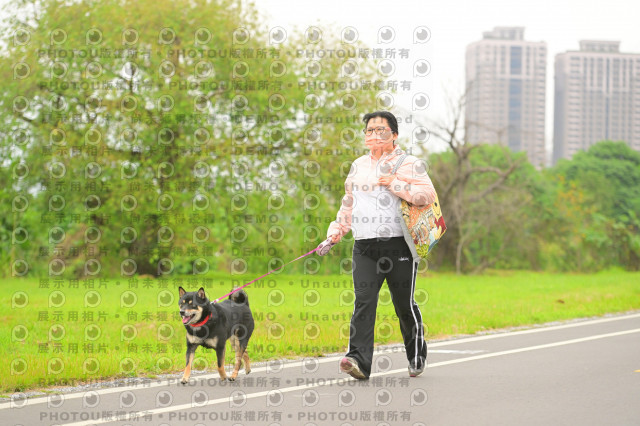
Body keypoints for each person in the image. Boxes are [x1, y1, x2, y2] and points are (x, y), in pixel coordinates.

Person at [317, 111, 437, 379]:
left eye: (380, 130)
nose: (373, 134)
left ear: (394, 135)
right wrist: (336, 231)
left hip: (399, 245)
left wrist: (395, 183)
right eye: (369, 130)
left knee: (403, 304)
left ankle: (416, 353)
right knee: (363, 302)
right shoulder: (358, 166)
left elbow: (427, 195)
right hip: (364, 247)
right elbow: (349, 203)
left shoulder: (409, 163)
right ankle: (358, 361)